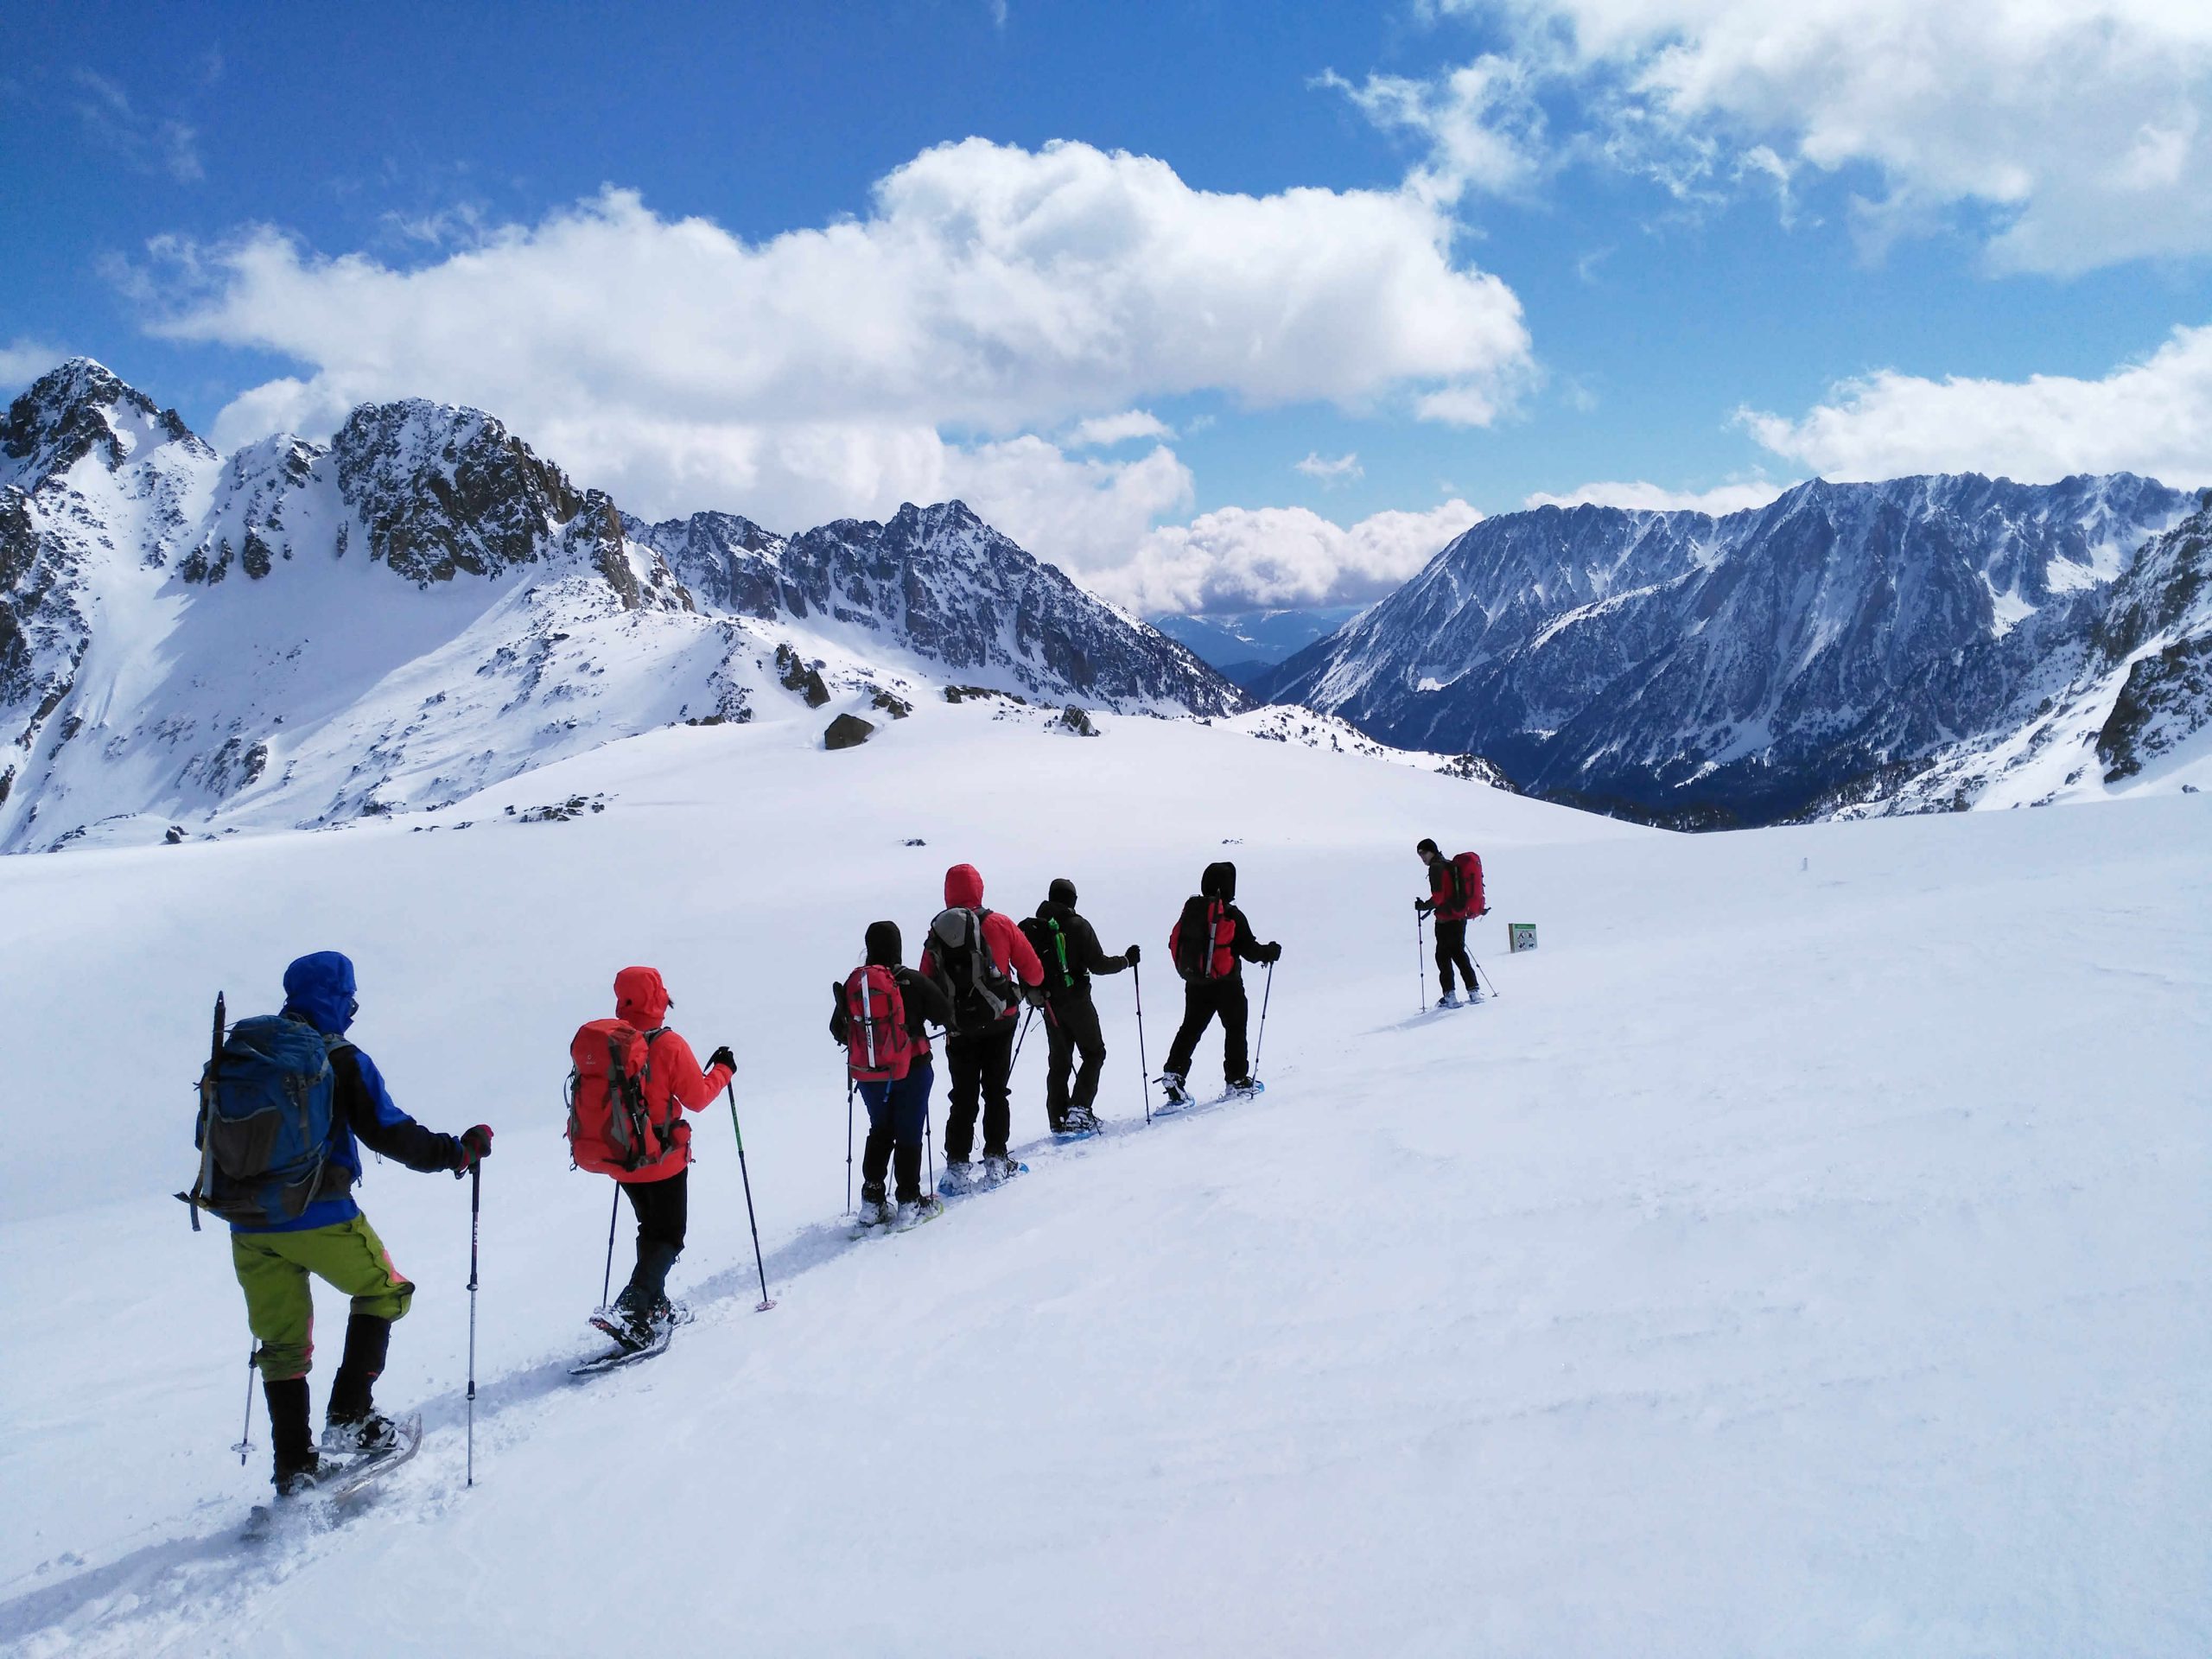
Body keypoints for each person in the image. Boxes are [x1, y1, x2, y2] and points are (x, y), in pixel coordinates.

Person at [226, 951, 491, 1496]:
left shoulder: (246, 1052)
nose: (353, 1007)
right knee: (384, 1292)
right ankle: (351, 1415)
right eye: (349, 996)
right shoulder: (338, 1057)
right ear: (333, 996)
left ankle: (294, 1468)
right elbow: (392, 1134)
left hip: (247, 1221)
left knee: (281, 1344)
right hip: (318, 1213)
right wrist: (457, 1153)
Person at [592, 966, 735, 1349]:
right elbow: (698, 1098)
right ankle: (633, 1305)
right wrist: (724, 1069)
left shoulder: (609, 1043)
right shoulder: (669, 1045)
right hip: (663, 1160)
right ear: (658, 999)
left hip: (622, 1161)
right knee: (670, 1236)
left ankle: (655, 1306)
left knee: (651, 1230)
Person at [919, 863, 1044, 1188]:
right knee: (995, 1091)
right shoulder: (1000, 923)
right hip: (1001, 1021)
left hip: (959, 1029)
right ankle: (996, 1160)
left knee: (962, 1095)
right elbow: (1034, 973)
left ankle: (957, 1167)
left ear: (948, 892)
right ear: (980, 888)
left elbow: (926, 983)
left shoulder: (937, 932)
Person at [830, 920, 955, 1228]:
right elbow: (944, 1014)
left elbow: (837, 1029)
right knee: (909, 1133)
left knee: (880, 1129)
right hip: (912, 1069)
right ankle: (910, 1201)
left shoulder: (855, 984)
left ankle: (872, 1203)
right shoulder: (910, 979)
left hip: (870, 1076)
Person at [1022, 878, 1137, 1135]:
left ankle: (1058, 1118)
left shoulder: (1035, 927)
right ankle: (1080, 1110)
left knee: (1060, 1062)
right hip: (1077, 1001)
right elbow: (1098, 965)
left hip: (1049, 1003)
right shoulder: (1078, 925)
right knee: (1094, 1053)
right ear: (1072, 900)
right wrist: (1127, 961)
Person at [1160, 861, 1280, 1105]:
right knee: (1235, 1028)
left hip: (1195, 982)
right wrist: (1270, 952)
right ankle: (1236, 1081)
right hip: (1227, 983)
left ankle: (1174, 1074)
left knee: (1190, 1029)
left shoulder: (1191, 910)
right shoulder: (1231, 914)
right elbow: (1249, 950)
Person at [1414, 838, 1485, 1007]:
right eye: (1419, 854)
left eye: (1423, 853)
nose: (1422, 857)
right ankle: (1474, 992)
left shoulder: (1436, 868)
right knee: (1459, 954)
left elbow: (1439, 897)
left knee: (1443, 956)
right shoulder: (1449, 865)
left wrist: (1423, 906)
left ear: (1432, 851)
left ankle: (1450, 996)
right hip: (1460, 917)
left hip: (1445, 919)